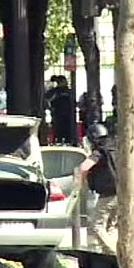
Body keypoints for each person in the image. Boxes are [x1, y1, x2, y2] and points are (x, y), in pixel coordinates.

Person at [75, 124, 118, 257]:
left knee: (96, 225)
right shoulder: (115, 148)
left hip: (108, 194)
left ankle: (114, 254)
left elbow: (83, 167)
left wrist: (79, 183)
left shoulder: (99, 151)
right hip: (121, 193)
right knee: (111, 226)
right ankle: (109, 255)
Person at [46, 76, 77, 145]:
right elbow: (47, 99)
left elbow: (74, 102)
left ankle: (68, 142)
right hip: (57, 115)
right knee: (58, 131)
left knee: (68, 132)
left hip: (68, 116)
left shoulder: (69, 91)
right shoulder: (54, 91)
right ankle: (58, 141)